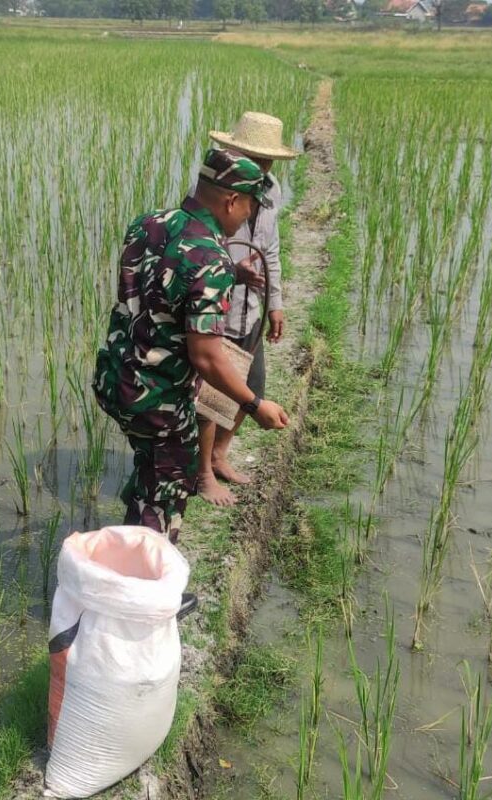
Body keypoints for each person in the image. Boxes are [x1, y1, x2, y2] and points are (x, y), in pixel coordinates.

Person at [93, 148, 290, 543]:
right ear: (232, 200)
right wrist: (254, 405)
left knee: (152, 469)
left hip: (115, 378)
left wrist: (229, 274)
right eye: (249, 207)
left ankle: (135, 525)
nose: (249, 218)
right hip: (158, 399)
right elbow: (206, 356)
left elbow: (157, 285)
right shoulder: (212, 259)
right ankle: (148, 591)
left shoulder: (148, 223)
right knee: (168, 492)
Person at [194, 112, 301, 507]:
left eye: (267, 161)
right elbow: (201, 249)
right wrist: (230, 271)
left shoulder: (270, 193)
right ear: (233, 152)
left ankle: (221, 455)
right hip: (214, 312)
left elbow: (270, 250)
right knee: (211, 396)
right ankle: (203, 472)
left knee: (252, 387)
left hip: (250, 310)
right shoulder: (218, 191)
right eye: (254, 160)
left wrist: (275, 303)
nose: (261, 169)